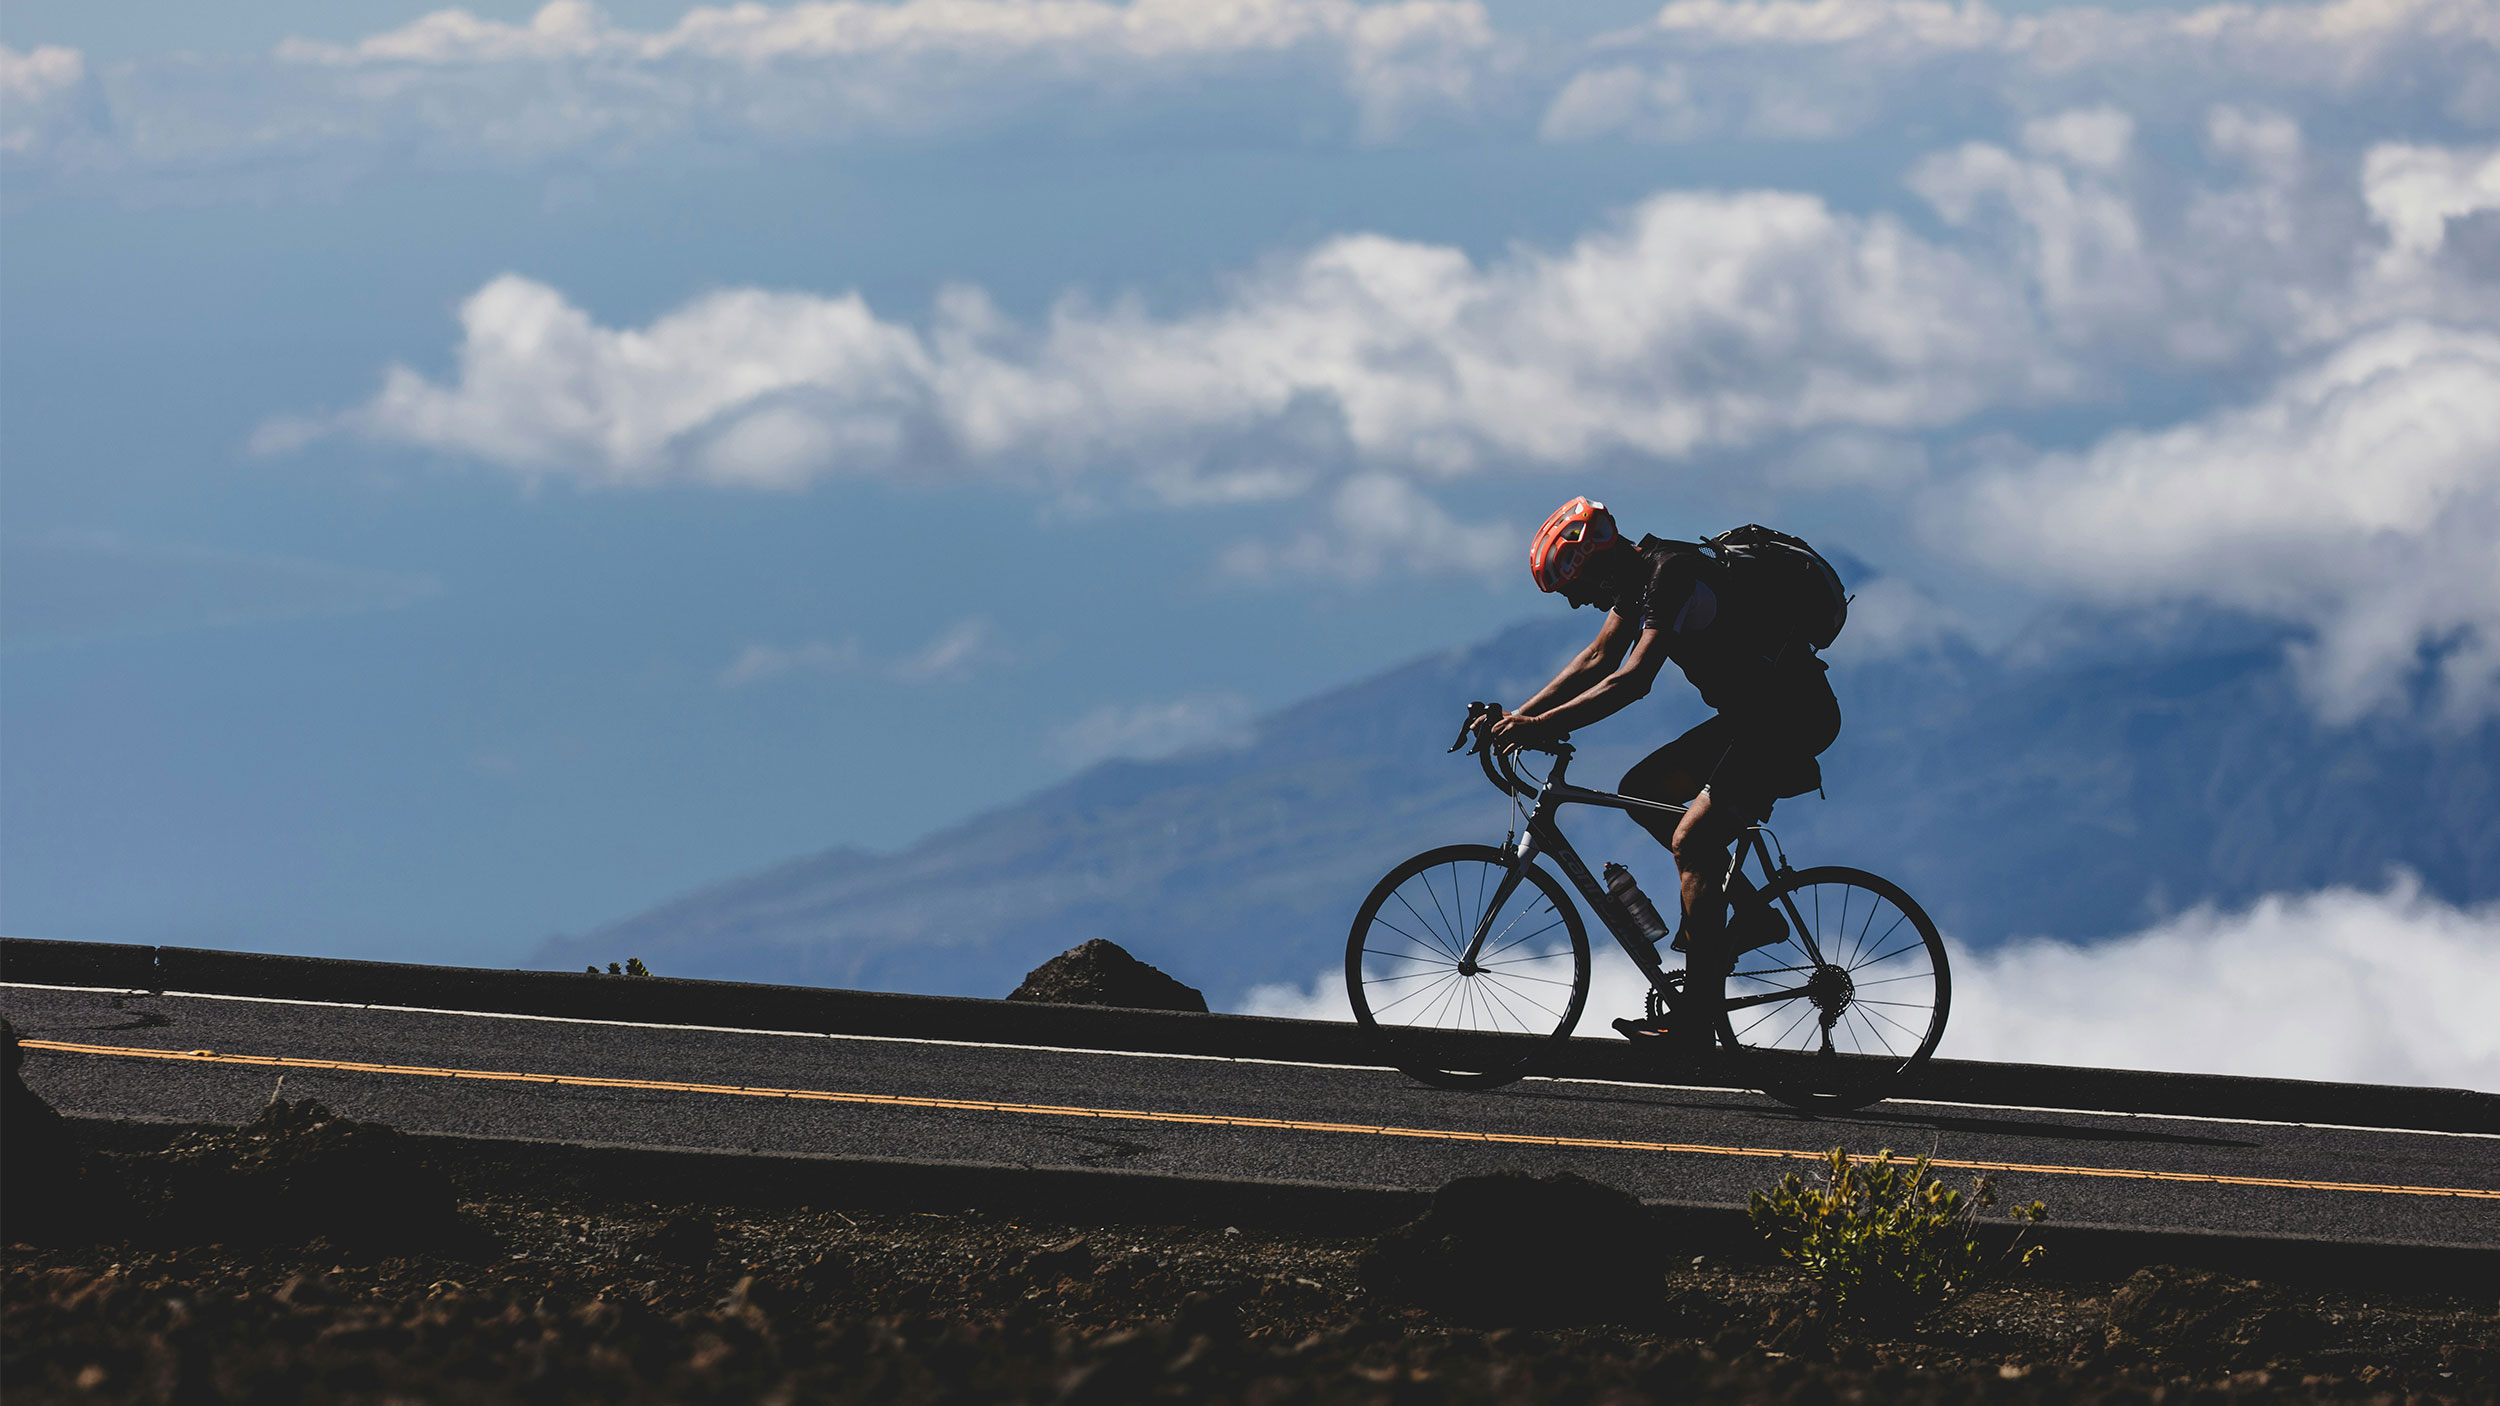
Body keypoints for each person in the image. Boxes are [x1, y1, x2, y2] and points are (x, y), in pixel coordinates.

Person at [1478, 496, 1840, 1044]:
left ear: (1596, 562)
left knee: (1693, 842)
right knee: (1641, 790)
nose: (1576, 604)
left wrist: (1539, 727)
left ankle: (1696, 1019)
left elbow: (1632, 679)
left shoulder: (1672, 574)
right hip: (1752, 717)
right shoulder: (1640, 577)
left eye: (1574, 588)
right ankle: (1751, 915)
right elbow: (1598, 659)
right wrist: (1519, 717)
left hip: (1790, 718)